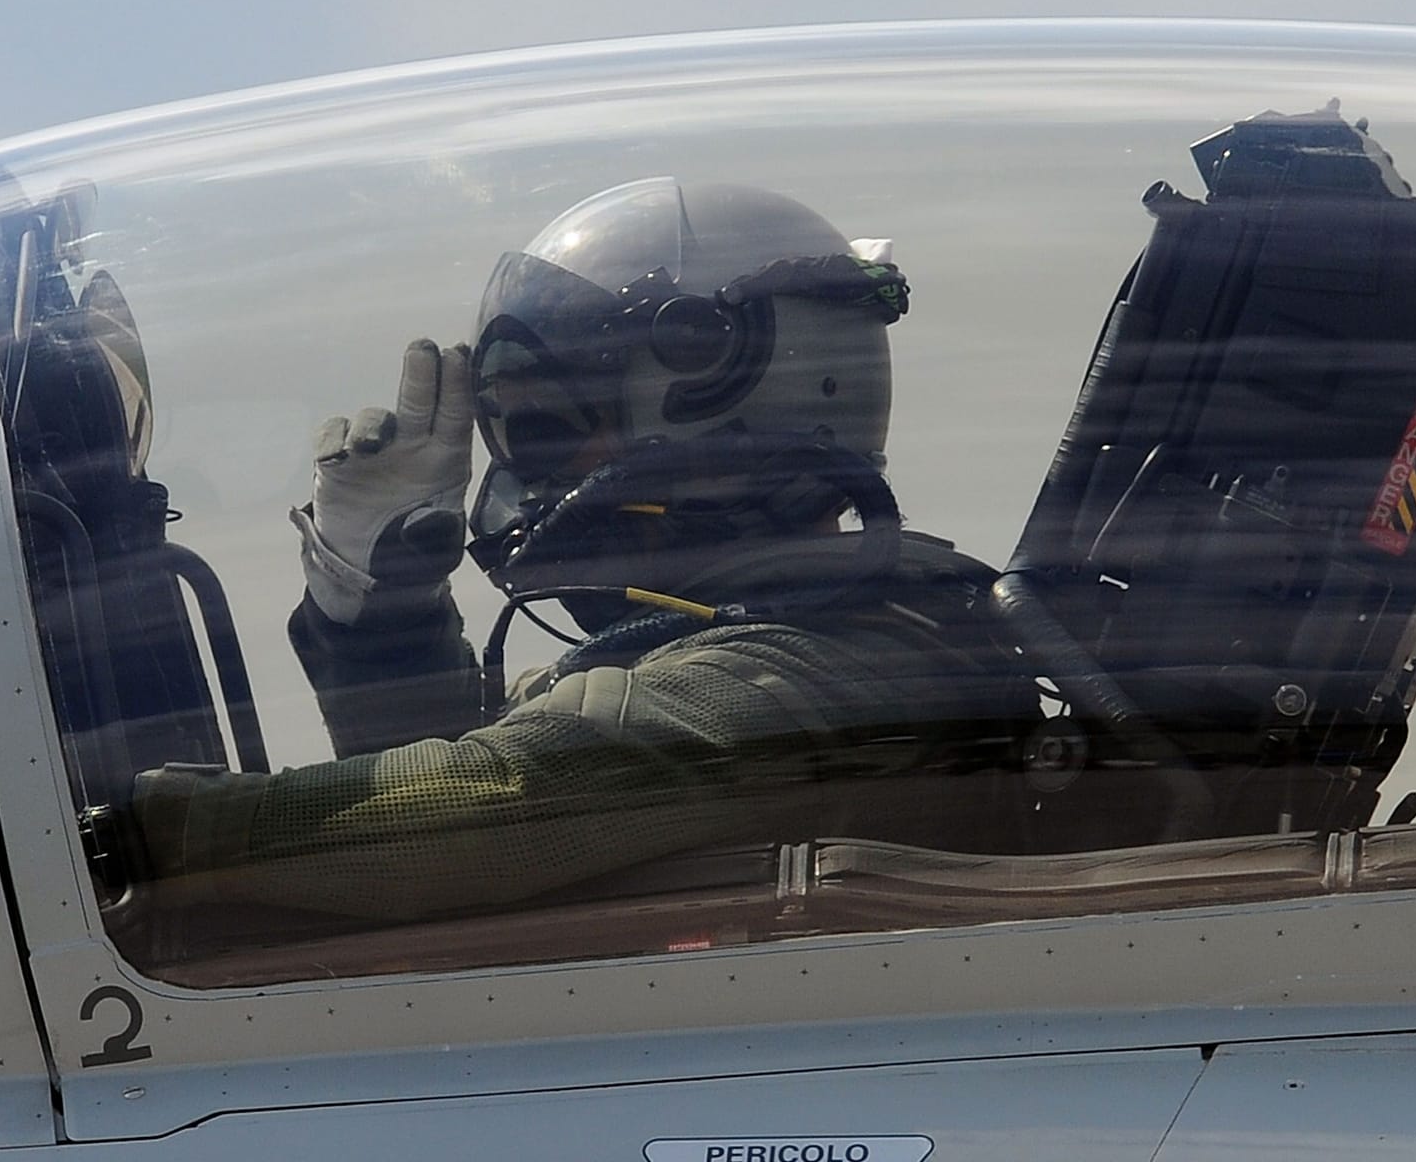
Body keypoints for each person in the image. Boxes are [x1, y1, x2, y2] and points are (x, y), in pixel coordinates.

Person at [131, 179, 1043, 922]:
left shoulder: (837, 667)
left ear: (733, 402)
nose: (539, 477)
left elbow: (494, 806)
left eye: (561, 425)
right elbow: (466, 768)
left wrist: (121, 836)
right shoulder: (744, 645)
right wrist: (380, 607)